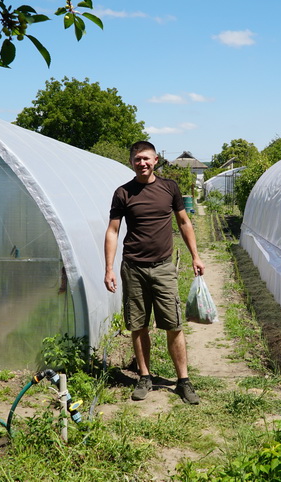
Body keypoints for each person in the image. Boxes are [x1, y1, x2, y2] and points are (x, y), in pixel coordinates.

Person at [104, 141, 205, 405]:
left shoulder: (169, 187)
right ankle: (145, 377)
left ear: (156, 160)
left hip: (163, 267)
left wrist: (195, 255)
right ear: (131, 162)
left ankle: (183, 381)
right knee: (138, 326)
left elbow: (184, 221)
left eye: (147, 159)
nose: (142, 163)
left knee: (173, 324)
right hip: (133, 268)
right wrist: (109, 269)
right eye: (137, 159)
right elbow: (113, 231)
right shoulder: (123, 193)